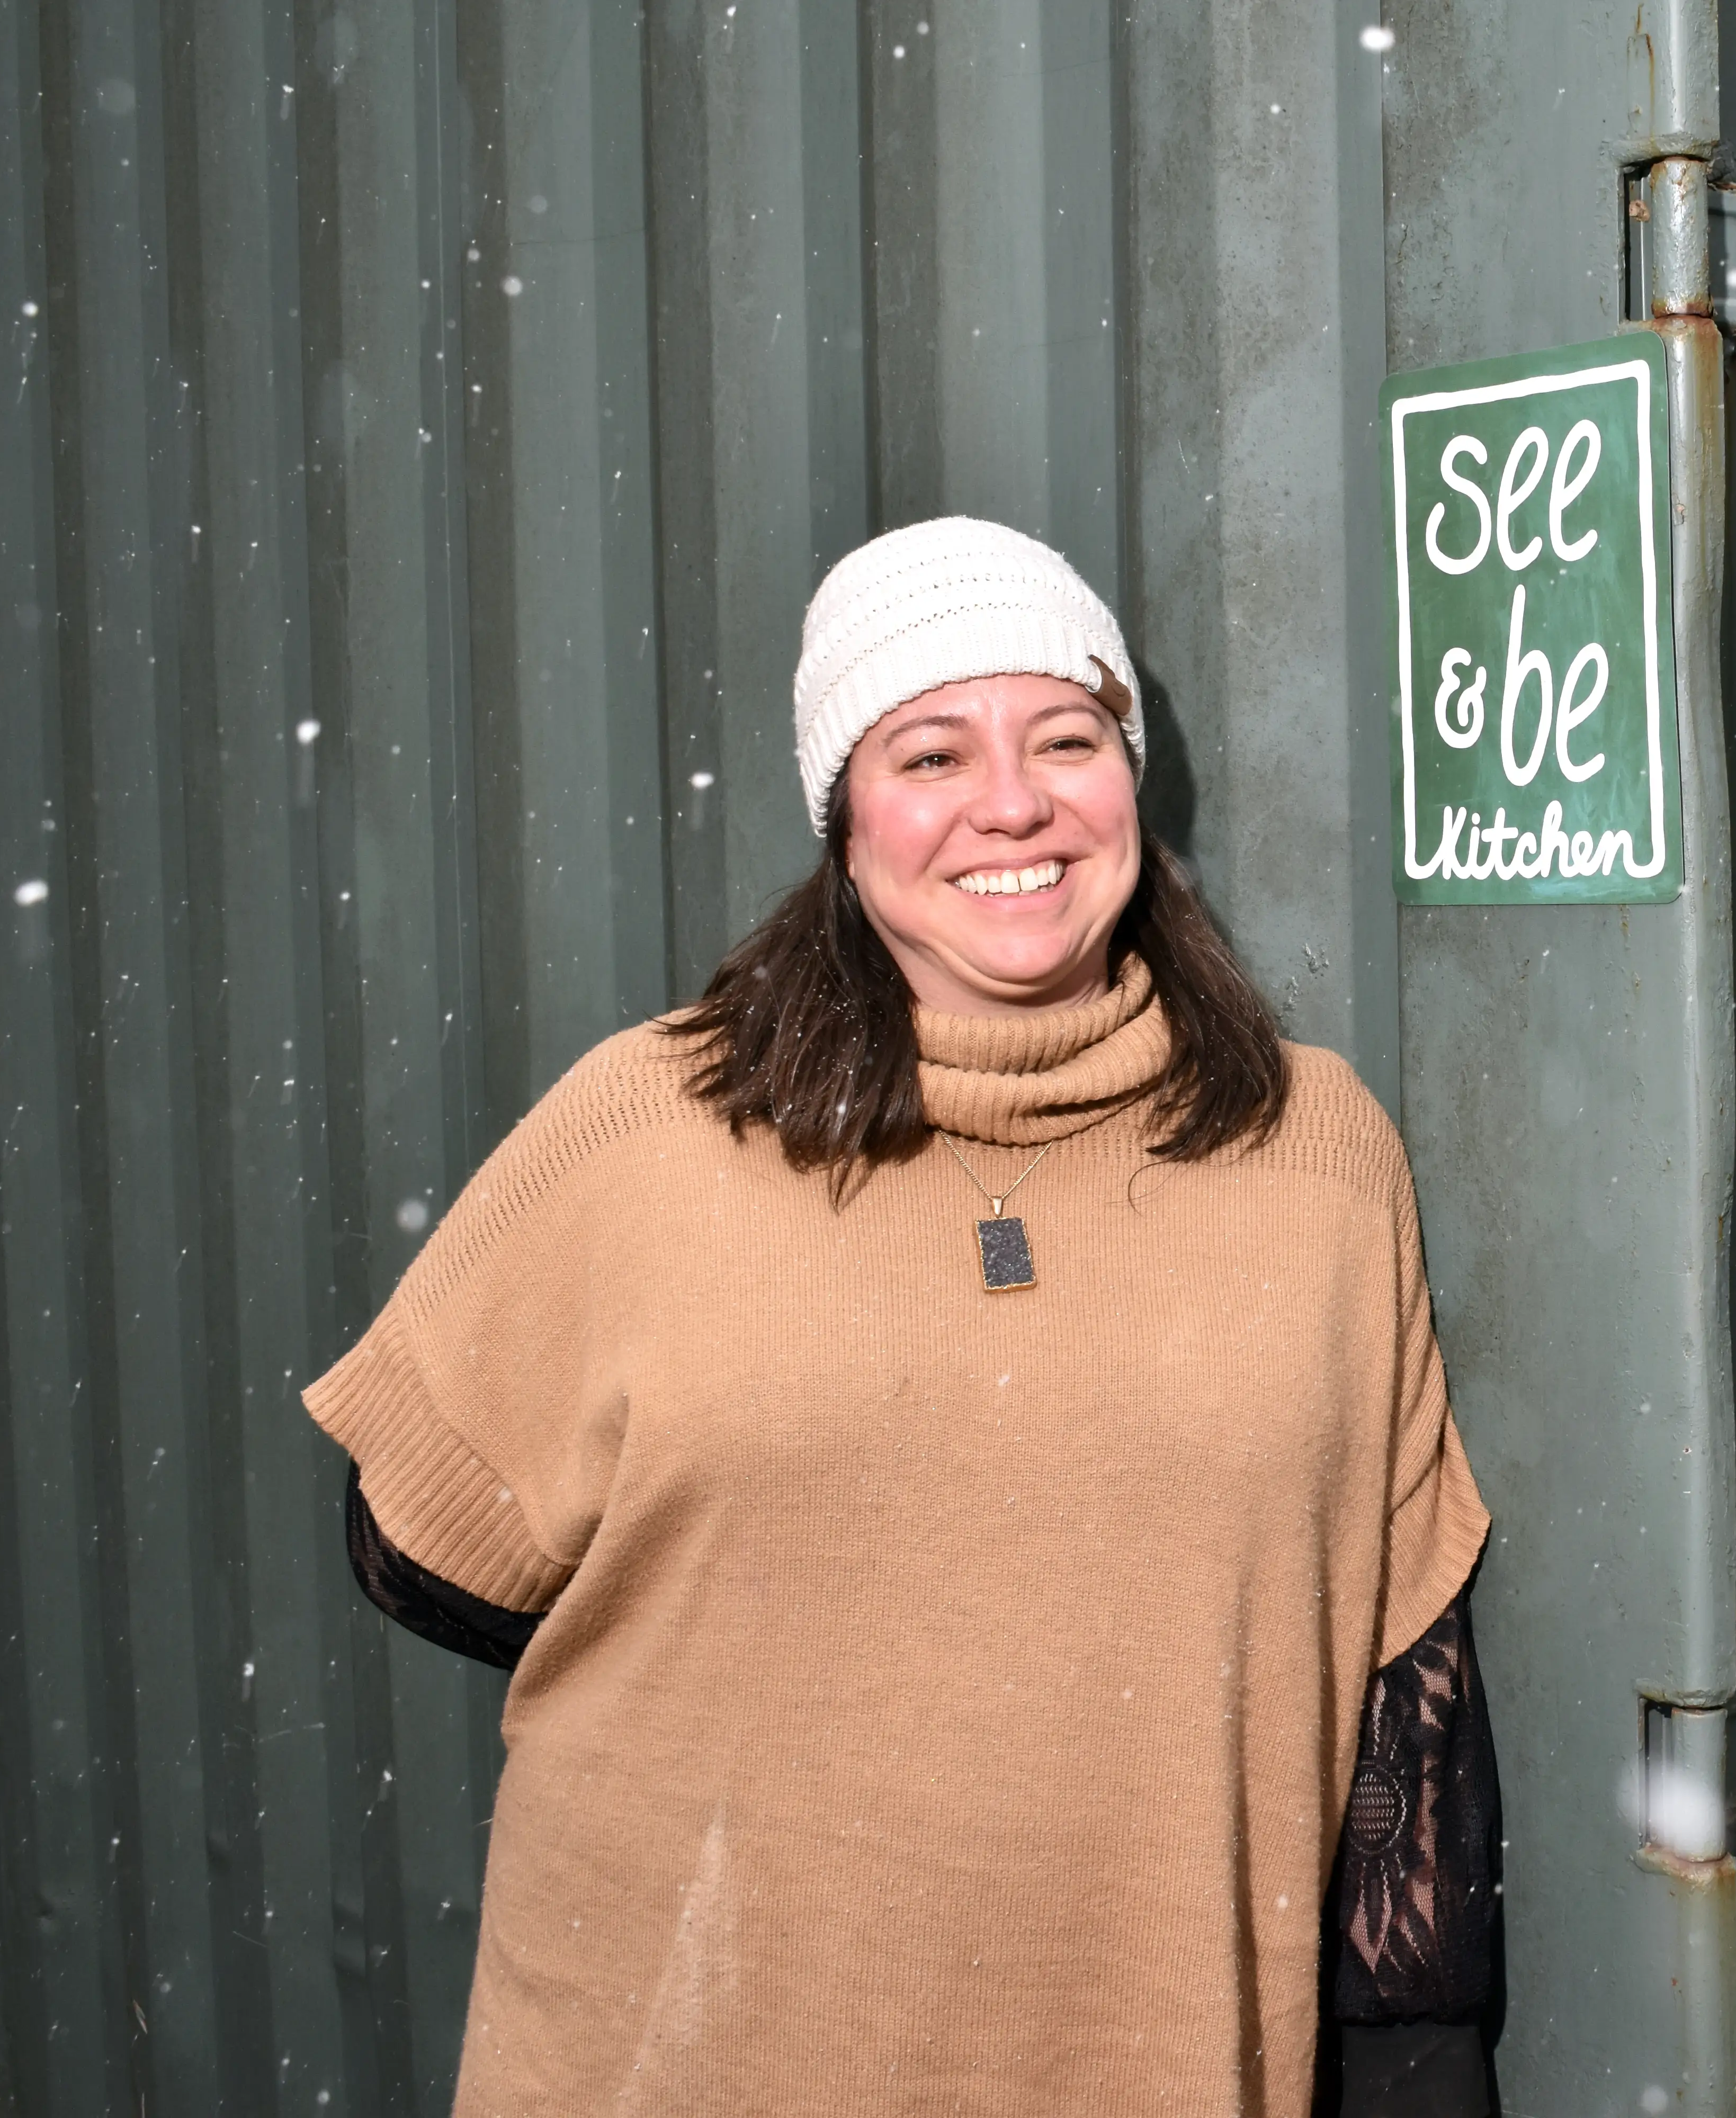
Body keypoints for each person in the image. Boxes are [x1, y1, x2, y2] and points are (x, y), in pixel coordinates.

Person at [309, 518, 1500, 2116]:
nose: (1012, 803)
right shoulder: (649, 1129)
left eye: (1067, 739)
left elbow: (1401, 1652)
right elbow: (412, 1542)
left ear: (1127, 778)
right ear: (844, 818)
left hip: (1147, 2059)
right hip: (685, 2057)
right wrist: (789, 1670)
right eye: (930, 753)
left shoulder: (1315, 1150)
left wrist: (1425, 2059)